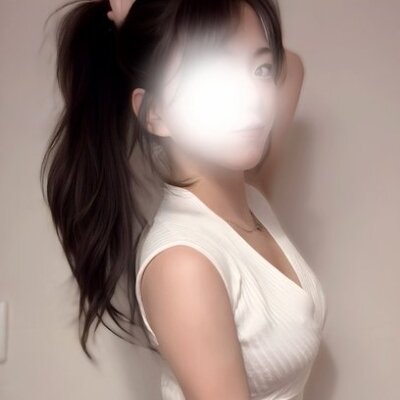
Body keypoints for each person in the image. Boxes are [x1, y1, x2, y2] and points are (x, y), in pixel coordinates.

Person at [41, 0, 327, 399]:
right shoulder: (184, 263)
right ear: (155, 114)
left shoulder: (249, 197)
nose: (253, 98)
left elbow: (290, 66)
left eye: (259, 70)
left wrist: (144, 22)